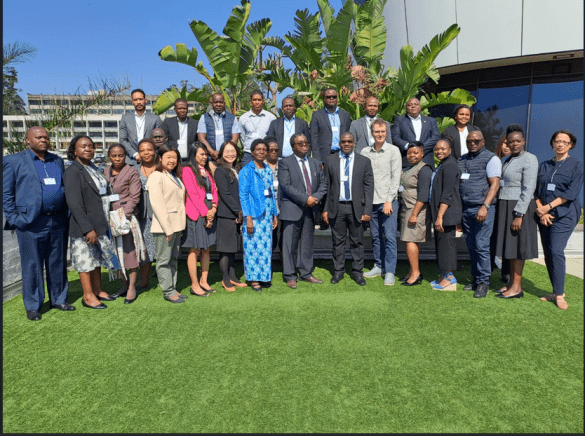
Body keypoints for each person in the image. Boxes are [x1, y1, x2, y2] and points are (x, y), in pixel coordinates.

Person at [3, 126, 73, 321]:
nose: (43, 140)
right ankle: (34, 305)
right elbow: (6, 194)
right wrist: (15, 219)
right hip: (30, 222)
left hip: (57, 220)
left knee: (57, 262)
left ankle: (59, 299)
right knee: (32, 265)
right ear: (28, 140)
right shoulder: (13, 161)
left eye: (46, 137)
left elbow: (62, 186)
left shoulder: (56, 160)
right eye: (39, 137)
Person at [63, 136, 121, 309]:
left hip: (99, 221)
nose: (88, 149)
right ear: (75, 150)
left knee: (96, 258)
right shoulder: (73, 172)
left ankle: (97, 289)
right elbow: (74, 204)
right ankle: (88, 296)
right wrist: (88, 229)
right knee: (85, 261)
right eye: (83, 146)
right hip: (84, 226)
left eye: (91, 146)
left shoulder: (93, 168)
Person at [535, 130, 583, 310]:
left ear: (571, 145)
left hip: (565, 213)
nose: (560, 144)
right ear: (552, 143)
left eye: (565, 142)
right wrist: (542, 211)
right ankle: (555, 291)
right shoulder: (544, 165)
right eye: (557, 141)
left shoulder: (577, 165)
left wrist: (548, 207)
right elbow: (535, 190)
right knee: (548, 253)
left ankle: (560, 294)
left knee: (556, 250)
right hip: (544, 214)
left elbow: (571, 193)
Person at [322, 132, 374, 286]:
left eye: (349, 141)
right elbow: (327, 186)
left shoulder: (364, 161)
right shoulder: (330, 161)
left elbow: (369, 187)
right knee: (337, 242)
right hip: (336, 207)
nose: (346, 144)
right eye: (343, 142)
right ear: (339, 143)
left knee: (357, 242)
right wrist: (325, 209)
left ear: (354, 143)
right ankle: (338, 272)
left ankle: (358, 272)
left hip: (356, 208)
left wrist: (367, 210)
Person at [494, 124, 539, 299]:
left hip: (519, 207)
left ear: (523, 141)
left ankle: (517, 288)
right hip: (505, 205)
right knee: (511, 247)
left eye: (518, 141)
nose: (514, 144)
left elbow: (529, 188)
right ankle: (511, 284)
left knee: (518, 248)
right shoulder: (507, 160)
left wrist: (519, 214)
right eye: (511, 141)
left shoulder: (529, 159)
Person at [278, 133, 328, 289]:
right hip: (292, 209)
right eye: (300, 143)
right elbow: (285, 186)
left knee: (307, 244)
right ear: (293, 147)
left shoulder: (315, 163)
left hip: (311, 210)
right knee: (289, 245)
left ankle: (306, 273)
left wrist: (315, 198)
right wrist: (305, 199)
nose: (304, 145)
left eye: (306, 142)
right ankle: (290, 275)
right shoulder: (285, 163)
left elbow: (323, 184)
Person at [458, 130, 502, 298]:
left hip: (482, 209)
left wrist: (485, 206)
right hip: (466, 209)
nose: (473, 143)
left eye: (476, 141)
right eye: (469, 141)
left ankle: (484, 282)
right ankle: (476, 279)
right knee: (471, 246)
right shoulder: (462, 159)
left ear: (483, 142)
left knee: (481, 245)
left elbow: (495, 184)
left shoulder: (491, 158)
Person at [361, 119, 402, 285]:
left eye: (383, 131)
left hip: (388, 202)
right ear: (372, 133)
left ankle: (390, 271)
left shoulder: (393, 151)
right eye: (377, 131)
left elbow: (395, 177)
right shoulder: (365, 152)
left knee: (390, 237)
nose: (380, 134)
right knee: (376, 236)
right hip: (371, 202)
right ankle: (379, 266)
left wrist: (388, 200)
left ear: (386, 132)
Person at [146, 146, 187, 303]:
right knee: (164, 261)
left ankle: (173, 288)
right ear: (160, 158)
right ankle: (168, 291)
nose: (172, 160)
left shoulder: (173, 176)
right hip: (165, 227)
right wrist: (167, 229)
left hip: (177, 225)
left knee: (173, 259)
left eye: (174, 157)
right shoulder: (156, 176)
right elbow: (158, 205)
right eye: (168, 157)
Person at [104, 144, 144, 304]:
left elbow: (135, 197)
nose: (117, 158)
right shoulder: (105, 172)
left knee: (129, 252)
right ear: (109, 156)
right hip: (109, 217)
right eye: (114, 155)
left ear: (125, 156)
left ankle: (132, 287)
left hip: (125, 218)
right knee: (116, 252)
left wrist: (124, 215)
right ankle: (124, 284)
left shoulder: (131, 172)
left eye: (120, 155)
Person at [239, 138, 279, 292]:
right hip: (254, 215)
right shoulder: (246, 171)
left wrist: (274, 213)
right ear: (252, 152)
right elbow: (243, 196)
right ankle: (254, 279)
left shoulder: (268, 169)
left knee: (265, 248)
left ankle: (264, 277)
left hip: (267, 215)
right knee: (252, 248)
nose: (261, 152)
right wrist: (248, 218)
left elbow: (271, 193)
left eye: (264, 149)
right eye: (258, 149)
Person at [181, 143, 218, 297]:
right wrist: (206, 213)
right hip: (196, 214)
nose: (204, 157)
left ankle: (204, 281)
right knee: (195, 249)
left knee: (207, 249)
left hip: (209, 212)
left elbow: (214, 191)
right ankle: (194, 284)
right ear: (194, 154)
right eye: (201, 154)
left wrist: (213, 208)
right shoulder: (187, 170)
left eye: (205, 154)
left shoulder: (207, 171)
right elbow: (193, 194)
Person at [429, 138, 462, 291]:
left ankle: (449, 278)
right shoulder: (444, 164)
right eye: (437, 149)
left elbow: (447, 194)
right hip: (441, 213)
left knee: (447, 245)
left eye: (443, 149)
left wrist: (440, 216)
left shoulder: (450, 165)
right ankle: (443, 275)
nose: (439, 151)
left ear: (450, 150)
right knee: (442, 245)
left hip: (447, 214)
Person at [214, 141, 247, 292]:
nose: (230, 154)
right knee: (225, 249)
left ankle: (233, 277)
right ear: (221, 154)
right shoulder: (220, 171)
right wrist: (238, 211)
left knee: (233, 248)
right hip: (226, 214)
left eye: (233, 151)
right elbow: (225, 194)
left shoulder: (237, 169)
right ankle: (225, 279)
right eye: (227, 151)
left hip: (237, 214)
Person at [398, 142, 432, 286]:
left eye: (416, 152)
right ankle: (412, 270)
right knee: (410, 241)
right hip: (406, 208)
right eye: (409, 153)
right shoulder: (409, 168)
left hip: (415, 210)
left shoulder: (424, 169)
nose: (412, 155)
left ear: (422, 154)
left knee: (410, 241)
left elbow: (423, 194)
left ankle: (416, 274)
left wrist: (414, 214)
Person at [391, 97, 440, 169]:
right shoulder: (400, 120)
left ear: (420, 107)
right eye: (410, 105)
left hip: (426, 160)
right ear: (406, 108)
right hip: (407, 161)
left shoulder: (430, 121)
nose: (413, 106)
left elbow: (435, 137)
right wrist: (409, 147)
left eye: (416, 104)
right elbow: (395, 137)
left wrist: (420, 149)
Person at [119, 89, 163, 167]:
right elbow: (122, 140)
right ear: (132, 102)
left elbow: (158, 141)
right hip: (131, 161)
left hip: (151, 161)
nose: (138, 102)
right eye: (135, 100)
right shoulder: (125, 118)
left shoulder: (155, 118)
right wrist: (135, 154)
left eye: (140, 99)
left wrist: (150, 154)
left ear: (145, 100)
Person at [135, 139, 157, 290]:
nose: (146, 153)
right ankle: (143, 281)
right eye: (142, 150)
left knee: (164, 248)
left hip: (160, 214)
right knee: (145, 248)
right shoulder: (134, 170)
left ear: (155, 151)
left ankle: (167, 281)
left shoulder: (162, 168)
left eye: (149, 149)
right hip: (142, 215)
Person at [197, 92, 241, 166]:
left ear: (224, 104)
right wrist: (213, 153)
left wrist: (224, 153)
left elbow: (235, 139)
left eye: (221, 102)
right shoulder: (204, 117)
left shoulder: (233, 118)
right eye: (216, 102)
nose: (218, 104)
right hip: (210, 159)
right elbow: (201, 138)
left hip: (228, 158)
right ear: (212, 104)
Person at [310, 88, 352, 162]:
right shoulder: (317, 115)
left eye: (334, 97)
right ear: (324, 98)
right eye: (328, 97)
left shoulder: (345, 115)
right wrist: (317, 160)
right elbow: (314, 139)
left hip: (342, 155)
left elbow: (349, 134)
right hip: (324, 156)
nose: (331, 99)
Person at [491, 133, 512, 283]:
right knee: (491, 238)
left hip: (508, 204)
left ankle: (506, 271)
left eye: (510, 143)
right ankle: (488, 268)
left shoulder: (516, 162)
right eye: (505, 143)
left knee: (507, 239)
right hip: (493, 204)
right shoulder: (493, 160)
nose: (507, 146)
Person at [238, 90, 276, 167]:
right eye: (254, 100)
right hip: (249, 155)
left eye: (259, 100)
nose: (257, 102)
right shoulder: (243, 118)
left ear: (263, 102)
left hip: (265, 155)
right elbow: (242, 137)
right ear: (250, 102)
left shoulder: (271, 117)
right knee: (246, 174)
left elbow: (273, 137)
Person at [162, 98, 198, 164]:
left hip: (190, 161)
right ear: (175, 110)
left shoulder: (195, 123)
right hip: (173, 161)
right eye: (179, 108)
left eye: (184, 108)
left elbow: (197, 142)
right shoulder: (168, 122)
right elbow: (165, 141)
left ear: (187, 109)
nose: (182, 110)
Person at [265, 137, 283, 257]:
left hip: (282, 206)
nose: (273, 152)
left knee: (283, 238)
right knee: (269, 239)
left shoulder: (283, 163)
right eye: (270, 150)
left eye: (276, 150)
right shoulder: (261, 165)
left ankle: (285, 265)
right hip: (266, 207)